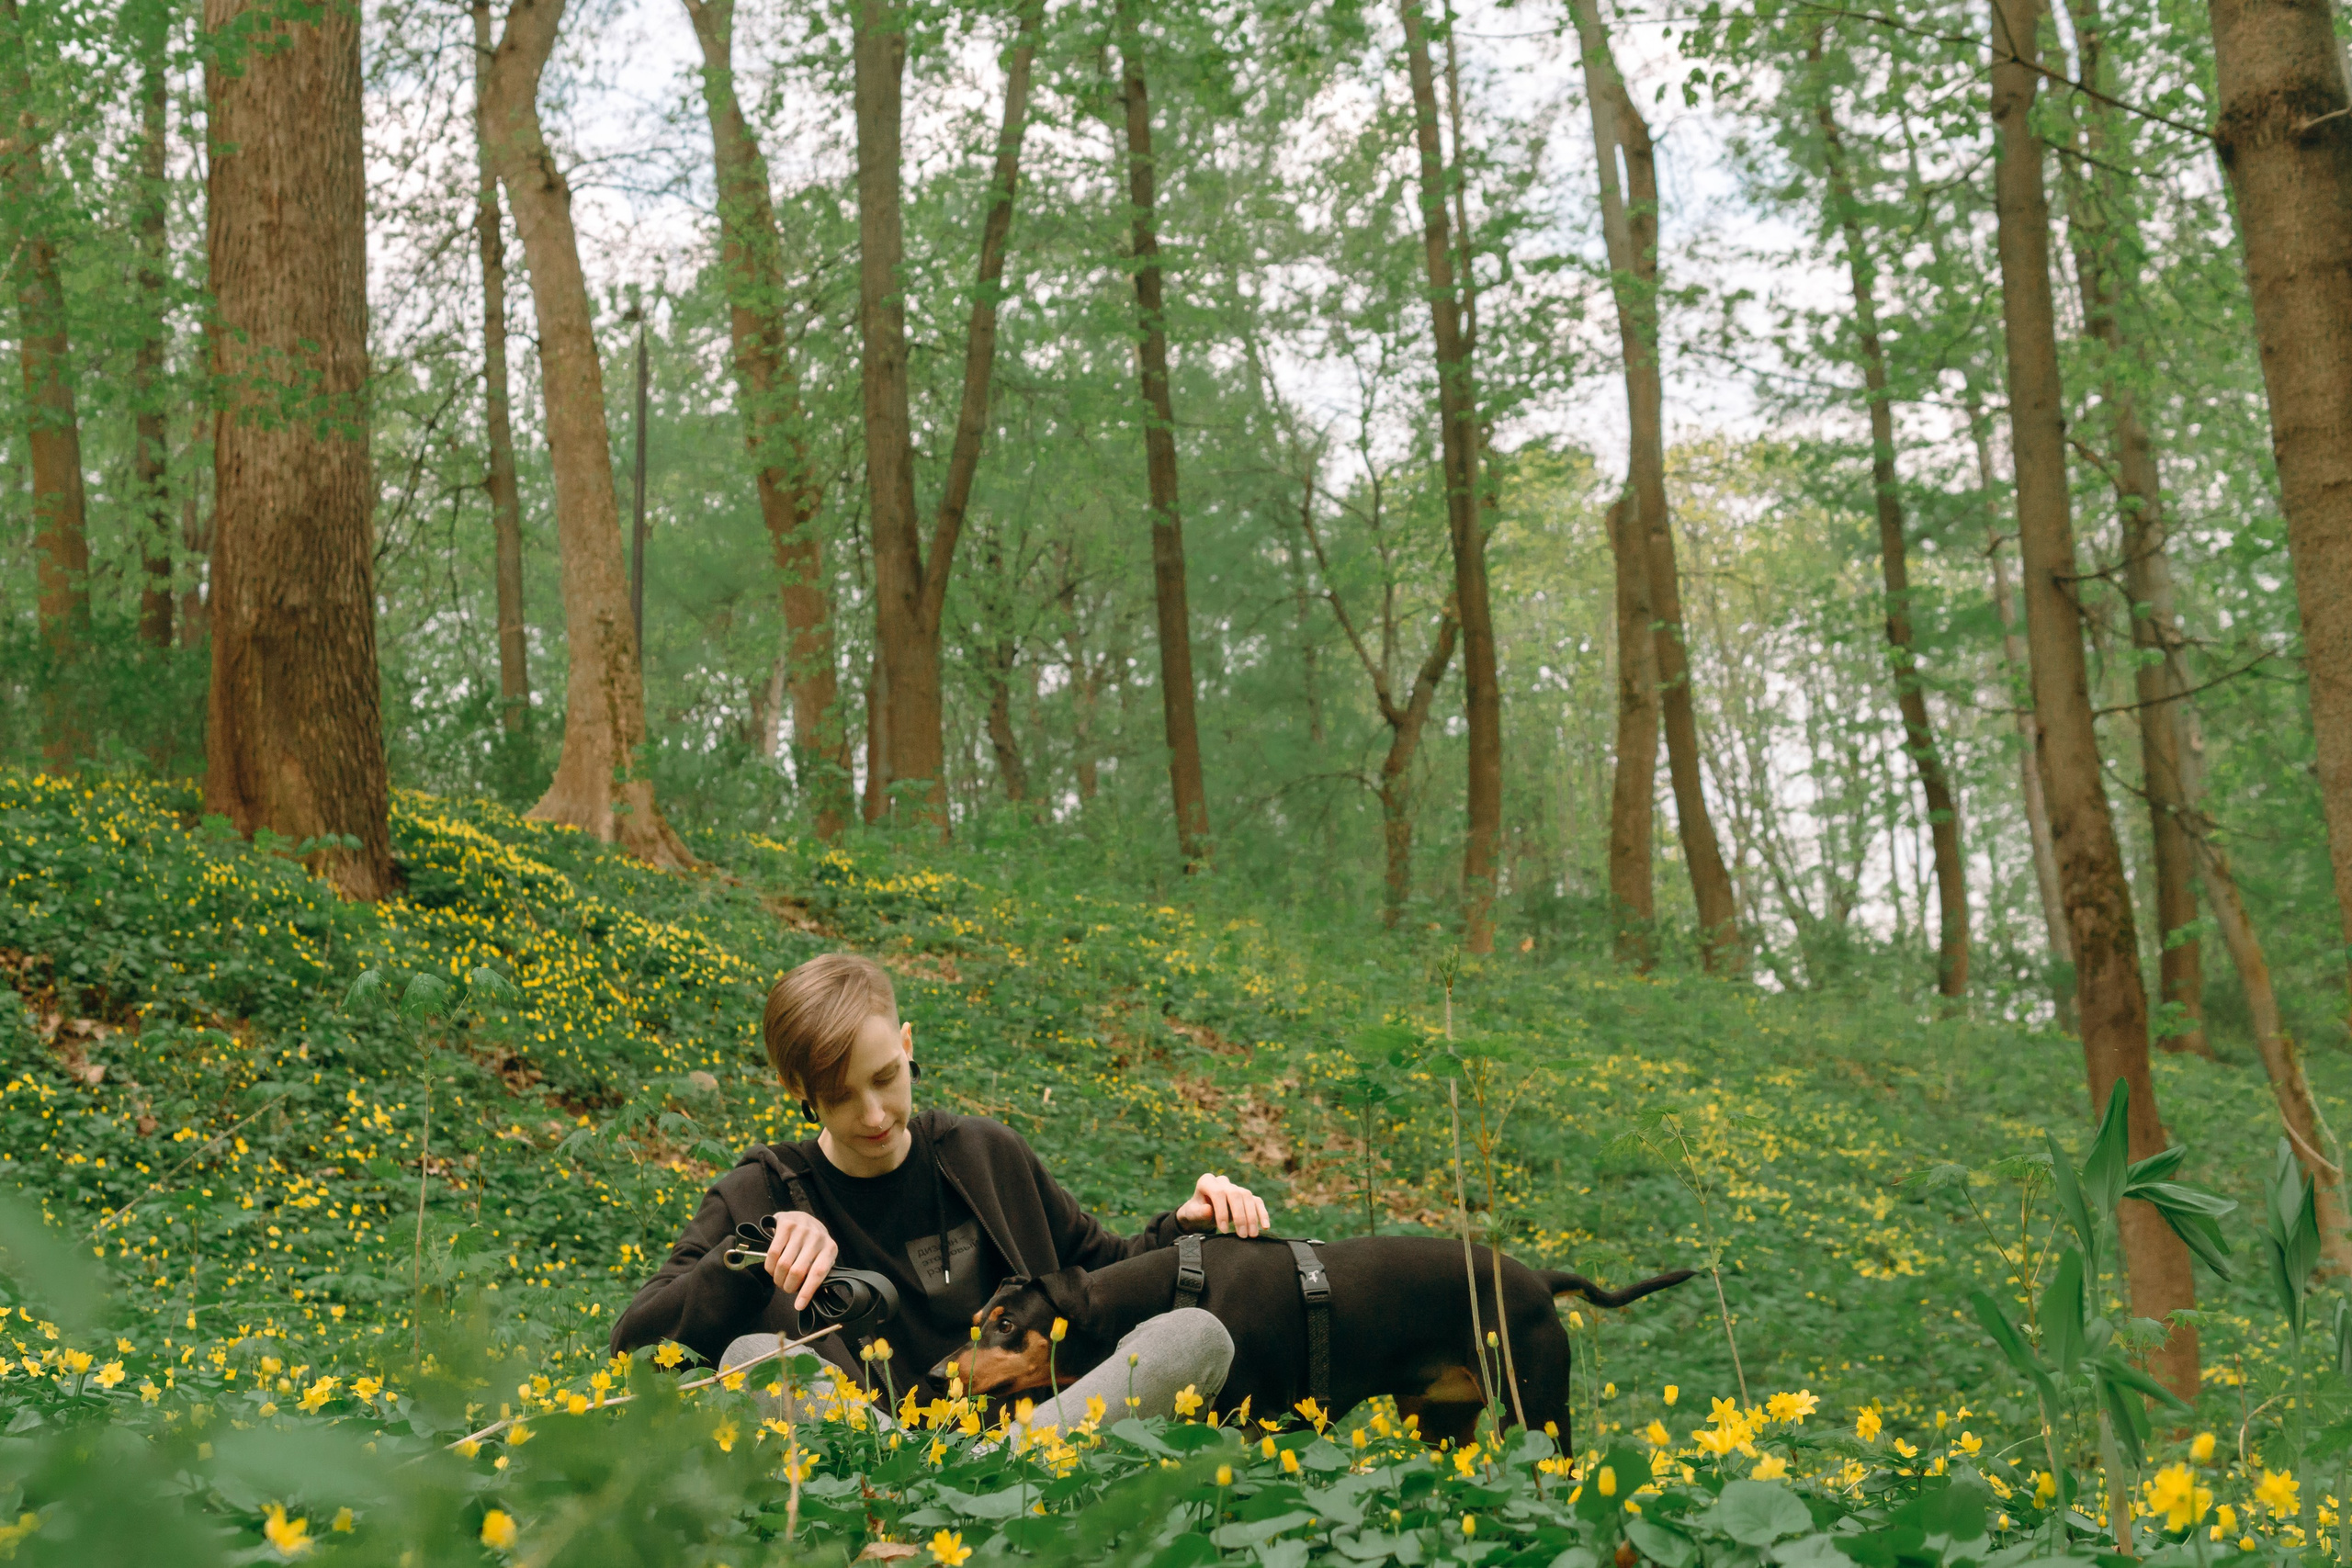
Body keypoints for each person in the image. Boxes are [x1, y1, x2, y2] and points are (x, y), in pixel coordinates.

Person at [610, 951, 1271, 1421]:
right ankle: (909, 1486)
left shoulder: (985, 1152)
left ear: (905, 1043)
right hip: (873, 1439)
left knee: (1195, 1335)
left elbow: (1098, 1268)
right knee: (756, 1357)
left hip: (1039, 1420)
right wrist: (755, 1251)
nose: (872, 1114)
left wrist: (1184, 1223)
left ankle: (1017, 1465)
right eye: (840, 1097)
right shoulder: (758, 1193)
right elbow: (633, 1349)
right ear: (800, 1092)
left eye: (884, 1077)